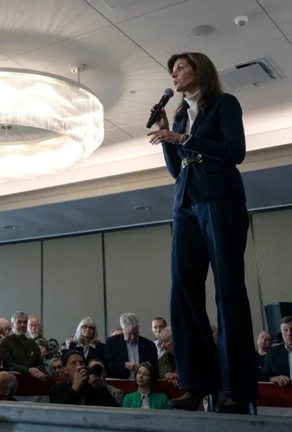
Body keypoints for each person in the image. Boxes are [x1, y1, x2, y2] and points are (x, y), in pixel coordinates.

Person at [148, 52, 257, 413]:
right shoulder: (180, 114)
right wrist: (169, 135)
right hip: (186, 205)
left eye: (180, 67)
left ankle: (233, 388)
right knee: (183, 293)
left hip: (221, 201)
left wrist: (183, 138)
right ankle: (196, 385)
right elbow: (176, 171)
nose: (174, 75)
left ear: (200, 70)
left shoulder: (224, 104)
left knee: (228, 292)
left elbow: (234, 152)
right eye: (172, 71)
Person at [49, 349, 118, 407]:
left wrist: (101, 387)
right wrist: (75, 387)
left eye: (81, 362)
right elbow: (59, 413)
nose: (79, 366)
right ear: (65, 370)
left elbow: (114, 410)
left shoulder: (92, 388)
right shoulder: (57, 389)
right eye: (73, 363)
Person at [104, 313, 157, 379]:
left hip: (143, 384)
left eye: (135, 334)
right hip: (120, 383)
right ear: (123, 330)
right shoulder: (112, 342)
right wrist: (124, 365)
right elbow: (107, 365)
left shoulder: (149, 345)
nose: (132, 337)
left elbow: (155, 368)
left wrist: (144, 367)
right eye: (129, 334)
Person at [0, 312, 48, 380]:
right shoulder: (5, 342)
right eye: (19, 322)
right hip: (12, 380)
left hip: (31, 381)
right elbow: (8, 363)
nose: (22, 325)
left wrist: (36, 369)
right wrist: (28, 371)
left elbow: (40, 364)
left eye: (25, 322)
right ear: (12, 325)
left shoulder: (33, 344)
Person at [261, 316, 291, 387]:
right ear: (281, 331)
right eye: (285, 330)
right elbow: (264, 375)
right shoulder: (272, 352)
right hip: (283, 393)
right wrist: (273, 378)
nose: (289, 333)